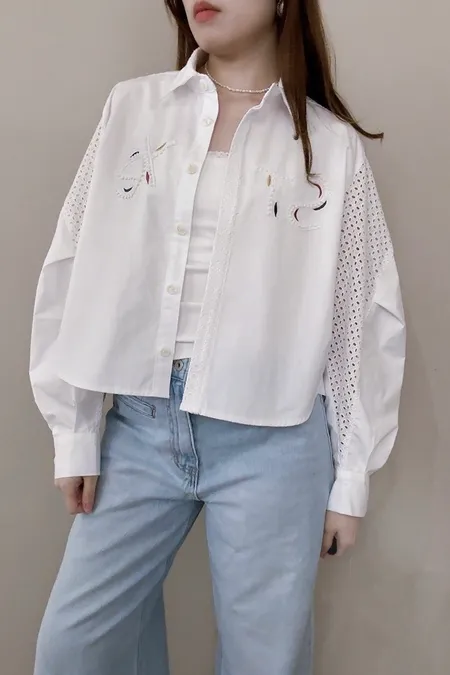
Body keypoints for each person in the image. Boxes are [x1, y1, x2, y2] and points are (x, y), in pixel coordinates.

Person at [30, 1, 406, 673]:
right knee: (74, 648)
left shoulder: (329, 146)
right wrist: (75, 429)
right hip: (139, 428)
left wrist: (351, 477)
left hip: (274, 442)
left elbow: (359, 318)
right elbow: (76, 262)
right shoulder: (134, 108)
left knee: (264, 661)